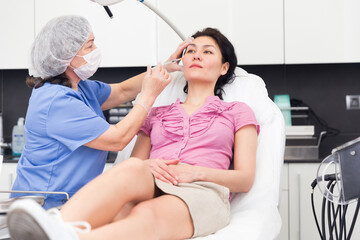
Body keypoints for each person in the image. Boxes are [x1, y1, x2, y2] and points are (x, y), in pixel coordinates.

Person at [7, 27, 259, 240]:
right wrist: (147, 165)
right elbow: (134, 160)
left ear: (224, 67)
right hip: (155, 181)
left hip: (200, 190)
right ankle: (56, 225)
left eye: (207, 52)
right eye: (190, 51)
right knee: (129, 171)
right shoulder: (157, 114)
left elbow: (245, 179)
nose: (196, 56)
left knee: (144, 215)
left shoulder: (237, 111)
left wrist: (195, 172)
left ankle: (64, 235)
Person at [10, 15, 191, 209]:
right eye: (89, 46)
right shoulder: (56, 101)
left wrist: (167, 67)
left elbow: (123, 90)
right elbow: (117, 139)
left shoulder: (80, 87)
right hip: (44, 206)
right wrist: (148, 95)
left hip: (73, 202)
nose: (95, 51)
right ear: (67, 56)